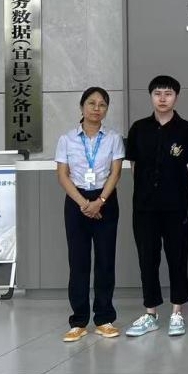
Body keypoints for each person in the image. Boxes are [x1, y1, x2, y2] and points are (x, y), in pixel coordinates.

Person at [124, 75, 188, 338]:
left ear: (176, 97)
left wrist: (178, 188)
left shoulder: (187, 130)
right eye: (158, 93)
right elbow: (133, 165)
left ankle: (177, 311)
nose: (163, 98)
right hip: (144, 207)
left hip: (175, 207)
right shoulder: (139, 128)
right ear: (151, 97)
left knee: (177, 258)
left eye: (168, 93)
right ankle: (151, 313)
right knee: (147, 259)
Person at [55, 87, 126, 342]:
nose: (97, 108)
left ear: (107, 109)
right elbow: (63, 175)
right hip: (77, 201)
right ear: (82, 106)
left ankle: (104, 318)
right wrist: (85, 204)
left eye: (102, 104)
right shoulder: (66, 139)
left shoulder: (114, 138)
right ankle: (78, 321)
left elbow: (115, 173)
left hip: (105, 200)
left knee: (105, 260)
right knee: (78, 262)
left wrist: (100, 202)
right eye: (91, 103)